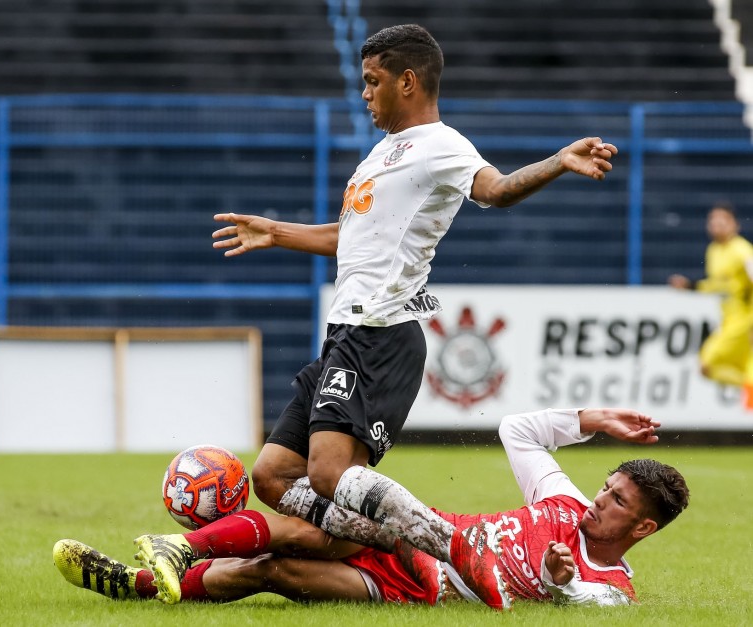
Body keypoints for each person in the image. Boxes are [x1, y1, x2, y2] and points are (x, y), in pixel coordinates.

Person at [137, 24, 620, 610]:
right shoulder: (382, 152)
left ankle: (453, 544)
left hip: (382, 332)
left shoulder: (443, 144)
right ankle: (395, 539)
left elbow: (495, 190)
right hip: (345, 333)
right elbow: (356, 237)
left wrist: (559, 161)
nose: (365, 94)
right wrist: (277, 232)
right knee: (270, 476)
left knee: (328, 473)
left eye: (373, 82)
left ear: (408, 80)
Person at [54, 407, 689, 608]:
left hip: (424, 589)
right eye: (604, 487)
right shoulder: (563, 501)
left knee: (275, 571)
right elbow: (520, 430)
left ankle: (150, 585)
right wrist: (589, 420)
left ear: (643, 528)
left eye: (615, 503)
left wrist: (559, 580)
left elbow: (580, 603)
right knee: (311, 529)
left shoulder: (615, 588)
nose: (595, 502)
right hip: (421, 539)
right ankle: (148, 571)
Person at [668, 202, 753, 402]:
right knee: (720, 368)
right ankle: (748, 386)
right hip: (730, 321)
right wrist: (691, 286)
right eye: (713, 219)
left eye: (722, 219)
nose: (716, 223)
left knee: (707, 364)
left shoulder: (742, 251)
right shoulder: (714, 250)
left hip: (744, 323)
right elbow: (719, 286)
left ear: (735, 225)